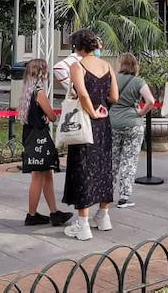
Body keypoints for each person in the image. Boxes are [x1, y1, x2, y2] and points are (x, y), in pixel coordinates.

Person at [61, 30, 118, 241]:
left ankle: (83, 224)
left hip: (86, 122)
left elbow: (83, 93)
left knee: (83, 167)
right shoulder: (108, 66)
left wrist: (92, 111)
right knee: (104, 166)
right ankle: (103, 216)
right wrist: (101, 108)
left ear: (78, 47)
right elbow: (114, 96)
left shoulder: (78, 66)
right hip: (104, 122)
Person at [19, 59, 72, 227]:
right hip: (40, 138)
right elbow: (52, 115)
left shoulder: (27, 92)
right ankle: (32, 214)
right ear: (42, 72)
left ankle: (54, 212)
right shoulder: (39, 92)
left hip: (30, 136)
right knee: (38, 177)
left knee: (47, 175)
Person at [110, 53, 154, 208]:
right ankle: (124, 197)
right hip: (133, 123)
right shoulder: (138, 81)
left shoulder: (112, 79)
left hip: (113, 123)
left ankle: (107, 193)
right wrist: (140, 113)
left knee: (112, 159)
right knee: (129, 160)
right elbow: (150, 101)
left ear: (120, 65)